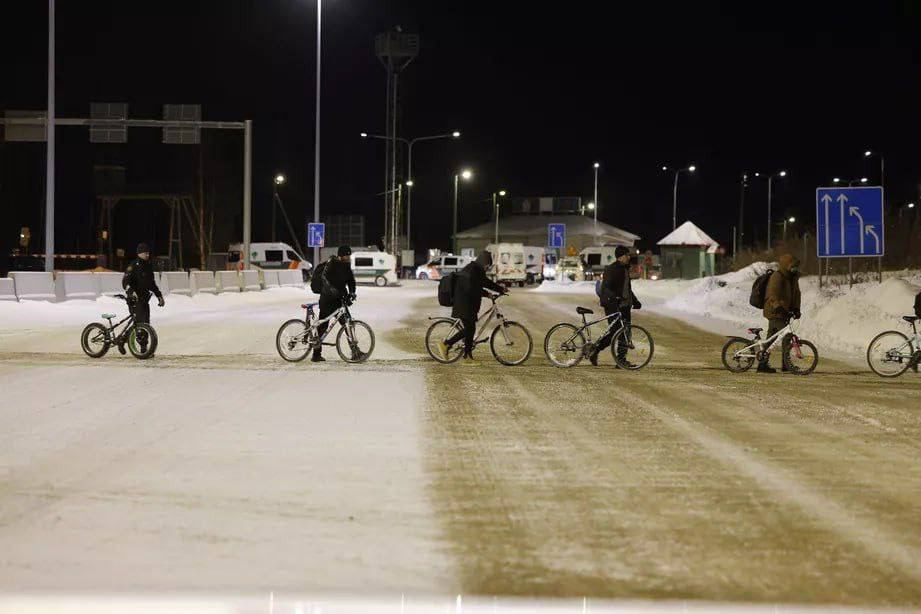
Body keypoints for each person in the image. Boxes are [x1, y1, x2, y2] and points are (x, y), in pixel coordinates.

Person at [442, 251, 506, 361]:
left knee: (470, 329)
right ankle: (447, 345)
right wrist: (488, 293)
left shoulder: (476, 269)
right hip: (464, 303)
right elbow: (473, 287)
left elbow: (484, 282)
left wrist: (498, 289)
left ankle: (467, 355)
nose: (487, 267)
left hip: (467, 303)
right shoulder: (473, 270)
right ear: (483, 262)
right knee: (469, 329)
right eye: (487, 265)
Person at [590, 245, 642, 367]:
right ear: (621, 256)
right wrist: (615, 299)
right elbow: (606, 288)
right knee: (615, 333)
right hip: (614, 306)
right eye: (627, 255)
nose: (629, 257)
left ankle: (621, 360)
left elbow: (627, 290)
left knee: (626, 333)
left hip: (625, 306)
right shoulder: (612, 269)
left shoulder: (625, 269)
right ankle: (595, 350)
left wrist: (635, 301)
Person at [759, 253, 802, 374]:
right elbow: (772, 294)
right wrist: (778, 307)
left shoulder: (792, 278)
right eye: (793, 266)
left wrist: (796, 309)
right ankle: (786, 364)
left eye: (796, 266)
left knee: (771, 338)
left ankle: (762, 364)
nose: (795, 268)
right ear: (786, 265)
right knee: (786, 337)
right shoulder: (777, 276)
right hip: (775, 311)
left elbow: (796, 295)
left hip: (784, 312)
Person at [313, 245, 357, 362]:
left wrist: (352, 292)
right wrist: (331, 290)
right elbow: (324, 278)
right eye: (346, 255)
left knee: (348, 324)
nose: (348, 257)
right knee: (323, 325)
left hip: (340, 300)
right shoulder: (331, 263)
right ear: (341, 255)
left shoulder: (346, 266)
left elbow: (351, 281)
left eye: (349, 255)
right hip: (327, 300)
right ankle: (316, 354)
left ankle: (355, 351)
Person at [121, 242, 164, 355]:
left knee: (144, 323)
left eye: (148, 253)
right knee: (140, 323)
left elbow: (152, 284)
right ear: (140, 253)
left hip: (145, 300)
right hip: (135, 300)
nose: (147, 255)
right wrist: (131, 292)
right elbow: (125, 282)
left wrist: (159, 295)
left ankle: (123, 340)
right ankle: (144, 349)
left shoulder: (148, 266)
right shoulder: (133, 265)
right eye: (145, 253)